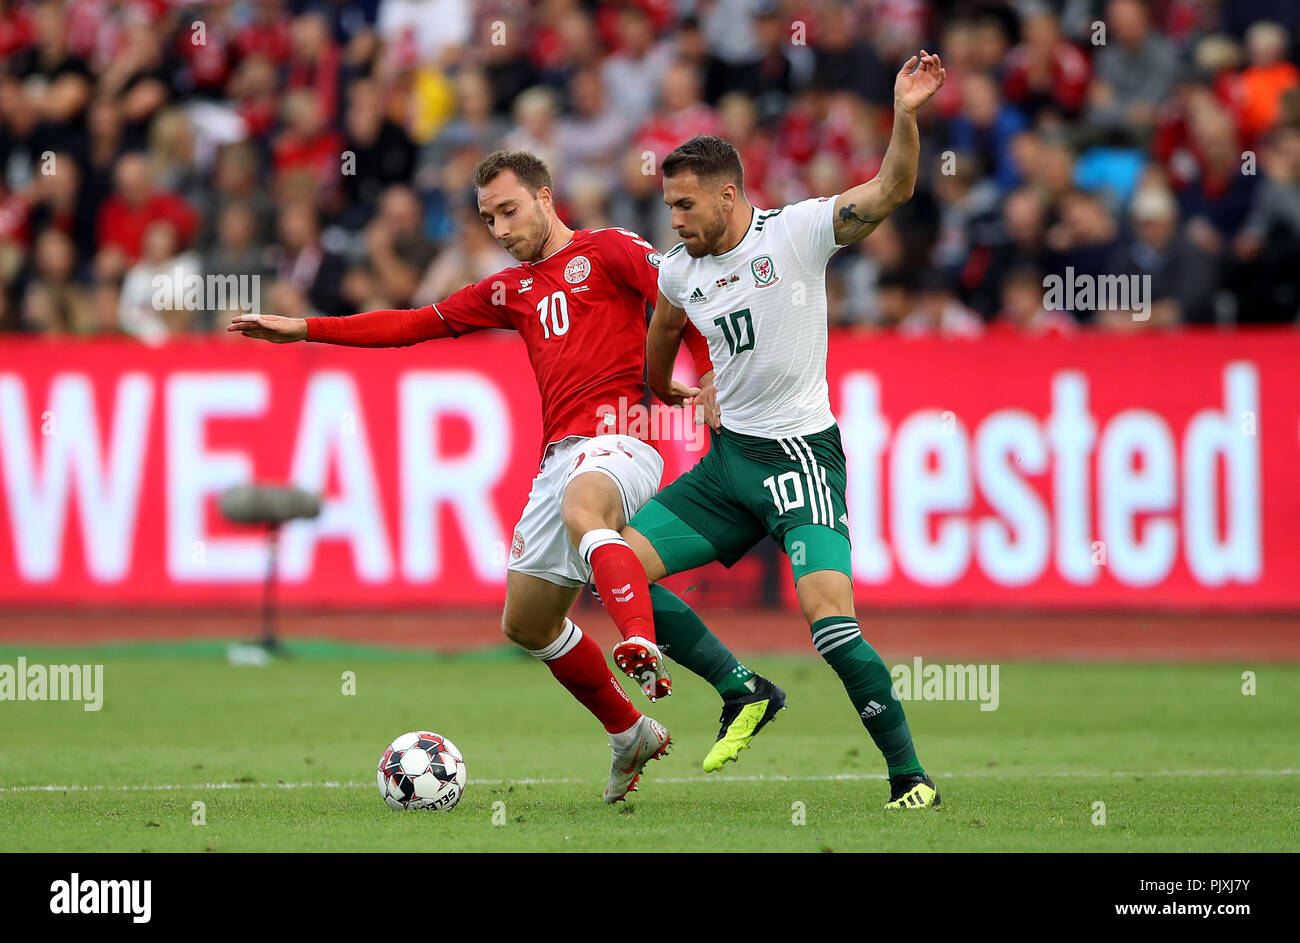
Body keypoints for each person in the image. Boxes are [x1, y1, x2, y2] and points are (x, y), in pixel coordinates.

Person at [229, 150, 728, 803]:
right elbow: (411, 324)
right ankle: (630, 730)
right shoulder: (508, 290)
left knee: (587, 511)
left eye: (509, 210)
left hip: (622, 438)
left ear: (546, 197)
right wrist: (303, 329)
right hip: (560, 456)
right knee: (527, 624)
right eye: (488, 217)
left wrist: (710, 372)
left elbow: (681, 298)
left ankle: (638, 638)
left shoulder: (606, 250)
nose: (498, 228)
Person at [607, 52, 948, 809]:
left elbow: (893, 189)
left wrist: (905, 114)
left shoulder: (796, 234)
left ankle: (909, 776)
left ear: (729, 196)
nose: (675, 220)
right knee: (616, 570)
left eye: (687, 206)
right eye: (669, 207)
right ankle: (742, 686)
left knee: (830, 623)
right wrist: (678, 391)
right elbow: (659, 341)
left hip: (800, 460)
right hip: (729, 466)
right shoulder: (678, 270)